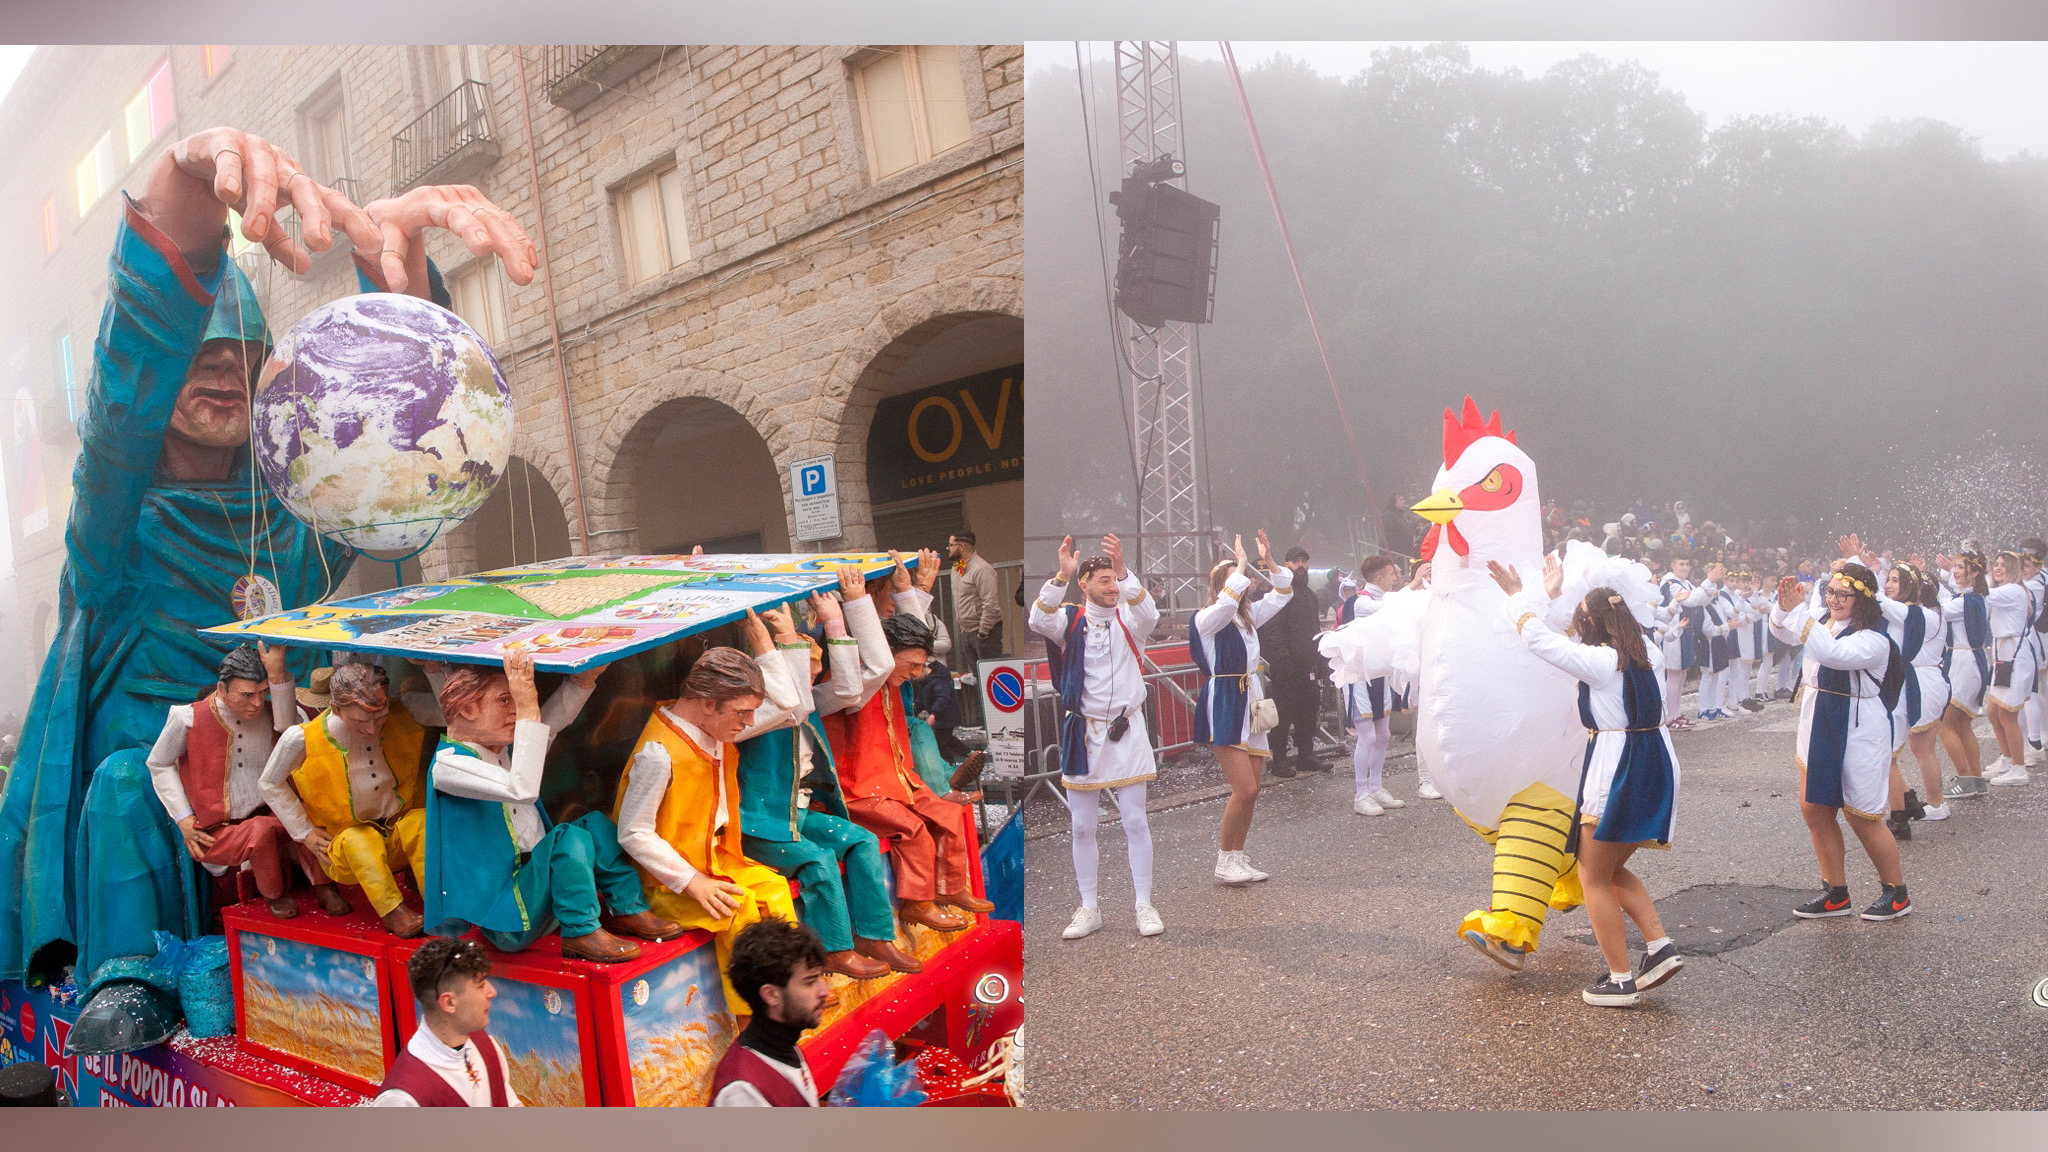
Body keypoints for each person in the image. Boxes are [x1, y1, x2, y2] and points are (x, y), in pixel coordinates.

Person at [0, 125, 533, 981]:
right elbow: (122, 393)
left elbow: (397, 490)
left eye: (246, 360)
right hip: (168, 813)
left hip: (290, 788)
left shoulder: (293, 517)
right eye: (200, 355)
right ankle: (132, 974)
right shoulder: (113, 522)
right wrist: (182, 180)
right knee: (123, 787)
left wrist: (388, 276)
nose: (224, 375)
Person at [1490, 555, 1682, 1008]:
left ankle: (1619, 979)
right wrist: (1552, 596)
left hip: (1619, 764)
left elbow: (1542, 640)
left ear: (1594, 623)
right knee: (1611, 867)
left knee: (1591, 873)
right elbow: (1564, 635)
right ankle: (1658, 948)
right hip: (1657, 756)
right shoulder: (1647, 650)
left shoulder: (1600, 661)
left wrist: (1519, 596)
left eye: (1583, 622)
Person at [424, 651, 676, 962]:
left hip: (540, 890)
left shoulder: (503, 751)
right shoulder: (449, 766)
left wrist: (584, 680)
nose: (516, 711)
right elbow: (522, 788)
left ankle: (628, 908)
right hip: (508, 916)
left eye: (515, 702)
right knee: (568, 838)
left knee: (594, 825)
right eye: (506, 701)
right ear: (467, 708)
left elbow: (550, 725)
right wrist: (528, 706)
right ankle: (581, 931)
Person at [734, 589, 915, 980]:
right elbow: (790, 702)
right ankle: (832, 949)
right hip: (759, 821)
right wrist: (778, 642)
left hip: (797, 812)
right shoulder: (756, 714)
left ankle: (873, 935)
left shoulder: (804, 702)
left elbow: (847, 688)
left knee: (862, 840)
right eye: (807, 670)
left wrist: (835, 621)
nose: (814, 678)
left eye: (814, 670)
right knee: (818, 858)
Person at [612, 647, 800, 1008]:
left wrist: (762, 643)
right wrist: (692, 882)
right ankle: (752, 1015)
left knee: (774, 889)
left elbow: (786, 707)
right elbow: (633, 831)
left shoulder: (714, 725)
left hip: (712, 857)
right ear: (708, 702)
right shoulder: (658, 754)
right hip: (668, 879)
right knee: (738, 908)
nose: (747, 724)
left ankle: (789, 989)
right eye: (743, 713)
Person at [144, 644, 349, 919]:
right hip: (221, 829)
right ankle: (275, 894)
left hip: (271, 811)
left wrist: (277, 676)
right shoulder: (188, 718)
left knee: (304, 815)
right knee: (259, 831)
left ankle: (325, 886)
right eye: (247, 695)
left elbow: (288, 730)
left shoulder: (267, 712)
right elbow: (158, 763)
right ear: (221, 689)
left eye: (262, 693)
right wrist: (183, 818)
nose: (256, 703)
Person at [823, 611, 994, 931]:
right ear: (884, 655)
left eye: (920, 665)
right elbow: (862, 674)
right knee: (913, 829)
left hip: (894, 778)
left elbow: (906, 635)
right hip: (856, 789)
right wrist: (840, 616)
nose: (917, 673)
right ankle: (917, 903)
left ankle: (950, 887)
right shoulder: (857, 677)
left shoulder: (890, 680)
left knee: (948, 814)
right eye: (912, 665)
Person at [1031, 534, 1163, 940]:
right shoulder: (1068, 621)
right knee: (1082, 827)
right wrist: (1060, 575)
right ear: (1084, 584)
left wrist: (1125, 572)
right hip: (1082, 731)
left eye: (1113, 580)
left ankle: (1144, 903)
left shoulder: (1130, 618)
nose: (1110, 587)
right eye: (1102, 580)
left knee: (1135, 821)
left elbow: (1151, 614)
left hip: (1127, 729)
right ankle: (1090, 907)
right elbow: (1038, 619)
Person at [1769, 564, 1912, 922]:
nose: (1833, 600)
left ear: (1861, 600)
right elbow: (1784, 632)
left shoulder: (1875, 638)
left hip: (1859, 728)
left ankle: (1896, 893)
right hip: (1819, 722)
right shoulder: (1825, 622)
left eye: (1842, 594)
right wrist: (1785, 607)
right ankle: (1836, 892)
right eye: (1830, 592)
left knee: (1861, 815)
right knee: (1814, 809)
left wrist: (1801, 614)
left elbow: (1834, 654)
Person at [261, 663, 439, 937]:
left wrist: (432, 669)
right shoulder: (302, 739)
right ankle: (394, 912)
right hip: (346, 848)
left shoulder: (404, 713)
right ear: (335, 708)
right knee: (360, 839)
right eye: (359, 721)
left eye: (379, 717)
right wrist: (304, 832)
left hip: (395, 830)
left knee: (421, 822)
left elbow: (448, 712)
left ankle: (441, 906)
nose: (370, 728)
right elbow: (269, 782)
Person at [1191, 531, 1294, 885]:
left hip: (1251, 699)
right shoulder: (1208, 618)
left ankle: (1236, 855)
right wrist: (1241, 564)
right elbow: (1224, 604)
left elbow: (1283, 594)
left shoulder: (1247, 617)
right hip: (1224, 701)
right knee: (1245, 788)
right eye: (1238, 577)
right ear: (1223, 585)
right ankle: (1224, 858)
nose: (1248, 582)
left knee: (1254, 788)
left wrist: (1269, 560)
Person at [371, 937, 520, 1107]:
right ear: (449, 1003)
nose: (492, 992)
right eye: (481, 985)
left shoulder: (488, 1046)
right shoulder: (402, 1099)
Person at [711, 918, 836, 1107]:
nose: (824, 991)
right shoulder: (741, 1090)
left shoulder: (786, 1046)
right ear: (771, 994)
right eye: (809, 982)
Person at [1869, 560, 1952, 832]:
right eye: (1889, 579)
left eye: (1898, 581)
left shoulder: (1921, 615)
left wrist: (1865, 568)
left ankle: (1927, 806)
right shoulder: (1925, 613)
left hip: (1921, 681)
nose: (1891, 585)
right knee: (1918, 749)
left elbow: (1880, 601)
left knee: (1913, 751)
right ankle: (1912, 801)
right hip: (1920, 680)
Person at [1337, 555, 1417, 817]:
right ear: (1379, 578)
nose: (1396, 578)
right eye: (1392, 574)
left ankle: (1375, 787)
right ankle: (1361, 794)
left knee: (1383, 735)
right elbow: (1389, 610)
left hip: (1379, 674)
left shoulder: (1384, 600)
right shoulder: (1360, 602)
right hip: (1358, 676)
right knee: (1368, 736)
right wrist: (1413, 586)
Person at [1258, 545, 1327, 778]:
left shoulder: (1310, 595)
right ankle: (1279, 760)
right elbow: (1272, 630)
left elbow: (1313, 629)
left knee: (1308, 711)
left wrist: (1319, 660)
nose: (1301, 566)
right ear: (1287, 565)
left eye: (1304, 561)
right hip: (1286, 667)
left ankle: (1306, 755)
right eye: (1295, 561)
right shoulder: (1280, 594)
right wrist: (1282, 661)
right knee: (1283, 715)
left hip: (1307, 664)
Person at [1935, 550, 1991, 801]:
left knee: (1943, 724)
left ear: (1976, 572)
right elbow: (1948, 599)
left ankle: (1966, 778)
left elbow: (1940, 610)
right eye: (1954, 567)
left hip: (1963, 663)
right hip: (1970, 661)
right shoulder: (1975, 598)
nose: (1955, 571)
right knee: (1962, 724)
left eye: (1961, 567)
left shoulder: (1964, 602)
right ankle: (1976, 779)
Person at [1981, 550, 2040, 787]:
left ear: (2014, 568)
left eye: (2004, 565)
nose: (1998, 568)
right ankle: (2007, 759)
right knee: (1994, 713)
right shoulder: (2008, 590)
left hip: (2014, 655)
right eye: (1996, 564)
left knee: (2007, 714)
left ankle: (2019, 768)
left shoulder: (2013, 590)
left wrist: (1973, 574)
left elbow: (1983, 595)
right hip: (2004, 655)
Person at [949, 531, 1004, 677]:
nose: (948, 548)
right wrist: (963, 626)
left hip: (984, 633)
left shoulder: (981, 569)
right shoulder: (956, 568)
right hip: (967, 631)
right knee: (979, 679)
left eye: (951, 545)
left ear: (962, 546)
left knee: (990, 679)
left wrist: (983, 631)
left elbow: (990, 603)